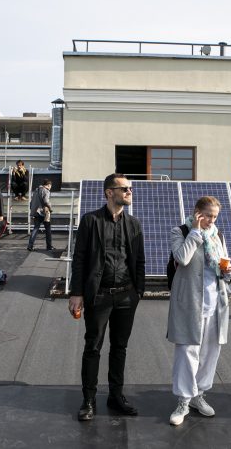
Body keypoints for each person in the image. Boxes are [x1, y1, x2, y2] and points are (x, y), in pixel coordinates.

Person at [69, 173, 145, 421]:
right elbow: (79, 259)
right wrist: (77, 293)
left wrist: (138, 292)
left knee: (120, 348)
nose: (129, 192)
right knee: (93, 347)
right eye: (124, 189)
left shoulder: (134, 224)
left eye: (130, 189)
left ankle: (116, 396)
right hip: (98, 296)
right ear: (109, 192)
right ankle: (88, 400)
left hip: (126, 296)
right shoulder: (90, 221)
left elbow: (139, 260)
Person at [167, 196, 231, 426]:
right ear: (197, 213)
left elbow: (222, 263)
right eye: (207, 216)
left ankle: (198, 396)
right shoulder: (181, 231)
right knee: (187, 352)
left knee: (209, 352)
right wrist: (195, 231)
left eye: (215, 216)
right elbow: (182, 258)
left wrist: (228, 270)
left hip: (215, 303)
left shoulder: (218, 235)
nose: (211, 220)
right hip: (189, 303)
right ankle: (183, 400)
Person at [27, 179, 53, 251]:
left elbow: (31, 203)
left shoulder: (36, 190)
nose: (50, 187)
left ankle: (30, 246)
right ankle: (49, 246)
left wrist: (32, 210)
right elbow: (46, 201)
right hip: (43, 212)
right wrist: (50, 208)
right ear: (48, 185)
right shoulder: (46, 191)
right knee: (48, 229)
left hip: (35, 212)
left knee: (35, 228)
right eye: (50, 186)